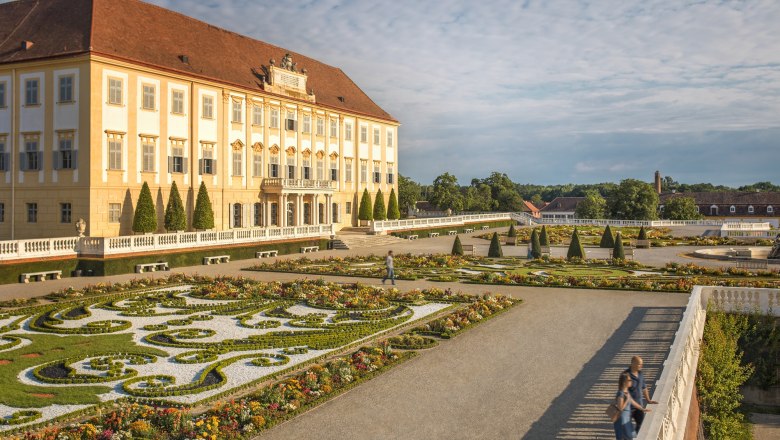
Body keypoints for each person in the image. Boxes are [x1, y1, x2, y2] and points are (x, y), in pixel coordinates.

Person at [625, 356, 657, 432]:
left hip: (639, 407)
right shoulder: (625, 375)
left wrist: (648, 400)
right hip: (628, 408)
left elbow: (644, 387)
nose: (641, 366)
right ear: (632, 364)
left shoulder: (640, 374)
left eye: (641, 364)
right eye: (639, 364)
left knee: (641, 426)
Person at [614, 372, 649, 439]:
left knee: (630, 436)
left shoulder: (626, 392)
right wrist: (627, 400)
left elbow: (633, 402)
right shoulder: (621, 393)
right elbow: (620, 408)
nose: (631, 381)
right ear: (624, 382)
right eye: (629, 380)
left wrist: (642, 409)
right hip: (622, 420)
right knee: (626, 437)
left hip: (627, 418)